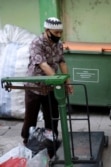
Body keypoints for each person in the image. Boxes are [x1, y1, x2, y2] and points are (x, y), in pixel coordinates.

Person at [21, 17, 73, 145]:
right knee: (31, 117)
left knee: (52, 115)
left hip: (50, 86)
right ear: (47, 30)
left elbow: (62, 62)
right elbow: (43, 65)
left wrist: (68, 81)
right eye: (56, 33)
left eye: (60, 32)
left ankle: (51, 140)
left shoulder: (58, 45)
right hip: (34, 86)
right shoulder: (36, 44)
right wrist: (58, 81)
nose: (59, 35)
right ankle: (27, 140)